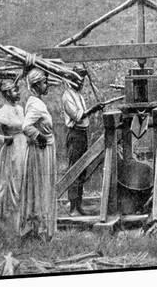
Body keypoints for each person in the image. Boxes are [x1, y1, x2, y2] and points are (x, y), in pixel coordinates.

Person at [61, 67, 104, 216]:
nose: (82, 83)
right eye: (79, 80)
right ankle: (73, 207)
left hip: (83, 134)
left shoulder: (77, 95)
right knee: (75, 169)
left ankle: (78, 205)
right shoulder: (67, 96)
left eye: (83, 80)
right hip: (75, 135)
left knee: (82, 170)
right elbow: (78, 116)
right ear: (72, 80)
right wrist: (94, 109)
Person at [0, 81, 28, 234]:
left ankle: (23, 223)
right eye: (13, 91)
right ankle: (7, 222)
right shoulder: (3, 112)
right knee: (11, 184)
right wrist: (5, 139)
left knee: (23, 182)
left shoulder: (20, 108)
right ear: (6, 94)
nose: (17, 93)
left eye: (17, 90)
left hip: (24, 147)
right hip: (12, 151)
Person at [21, 68, 57, 241]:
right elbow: (26, 126)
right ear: (35, 85)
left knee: (44, 186)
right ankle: (39, 229)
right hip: (40, 151)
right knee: (41, 187)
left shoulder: (37, 102)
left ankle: (42, 228)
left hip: (45, 150)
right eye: (44, 82)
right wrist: (39, 136)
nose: (47, 84)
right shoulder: (35, 104)